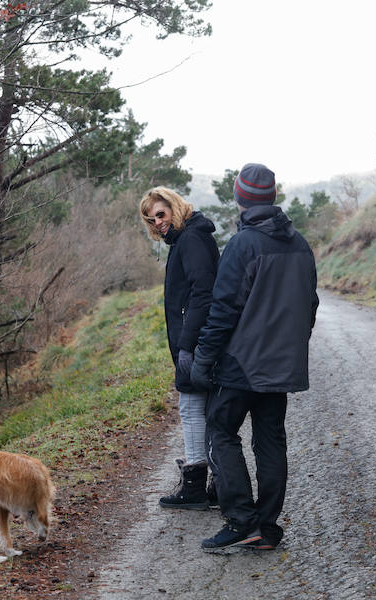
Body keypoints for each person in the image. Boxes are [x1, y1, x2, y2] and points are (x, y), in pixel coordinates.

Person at [190, 163, 319, 552]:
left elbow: (223, 309)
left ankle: (241, 520)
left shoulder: (243, 244)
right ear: (273, 197)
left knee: (220, 431)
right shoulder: (300, 244)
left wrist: (202, 358)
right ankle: (266, 527)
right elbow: (310, 305)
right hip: (280, 365)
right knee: (270, 441)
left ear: (240, 198)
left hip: (241, 364)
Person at [139, 187, 219, 510]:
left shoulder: (191, 239)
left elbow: (203, 292)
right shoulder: (186, 239)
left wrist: (187, 345)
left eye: (161, 213)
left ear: (174, 207)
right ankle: (213, 484)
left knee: (191, 407)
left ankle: (195, 487)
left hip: (198, 344)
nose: (158, 222)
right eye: (151, 219)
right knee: (202, 409)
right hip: (197, 342)